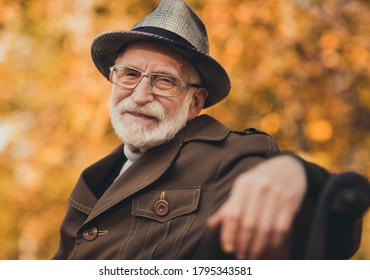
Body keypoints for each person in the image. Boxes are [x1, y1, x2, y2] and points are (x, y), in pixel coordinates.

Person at [53, 0, 365, 260]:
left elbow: (323, 233)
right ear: (114, 79)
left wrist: (298, 173)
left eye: (164, 80)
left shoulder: (231, 157)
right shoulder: (96, 178)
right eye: (130, 75)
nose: (140, 95)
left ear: (195, 102)